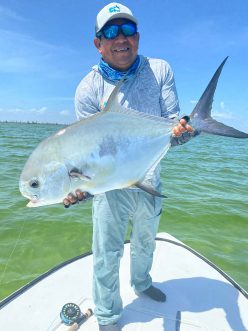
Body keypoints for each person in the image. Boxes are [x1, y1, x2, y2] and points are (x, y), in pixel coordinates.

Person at [63, 3, 194, 331]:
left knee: (146, 241)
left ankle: (142, 283)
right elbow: (90, 149)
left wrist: (181, 132)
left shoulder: (160, 69)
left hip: (150, 177)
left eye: (127, 30)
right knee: (106, 253)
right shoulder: (87, 90)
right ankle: (107, 317)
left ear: (137, 37)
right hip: (109, 187)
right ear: (98, 43)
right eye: (110, 31)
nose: (120, 38)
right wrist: (80, 185)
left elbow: (171, 127)